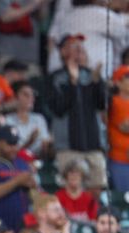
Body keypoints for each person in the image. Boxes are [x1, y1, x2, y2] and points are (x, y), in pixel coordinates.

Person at [48, 33, 108, 192]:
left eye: (81, 46)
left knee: (96, 190)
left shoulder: (91, 75)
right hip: (68, 147)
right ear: (63, 52)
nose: (80, 49)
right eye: (74, 46)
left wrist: (97, 84)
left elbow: (102, 105)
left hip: (93, 145)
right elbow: (58, 109)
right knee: (71, 193)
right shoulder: (55, 77)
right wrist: (73, 84)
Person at [2, 80, 52, 160]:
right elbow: (9, 152)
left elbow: (45, 149)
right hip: (16, 164)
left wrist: (48, 146)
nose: (31, 98)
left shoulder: (39, 119)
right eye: (26, 95)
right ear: (15, 98)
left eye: (32, 95)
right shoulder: (8, 121)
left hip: (37, 162)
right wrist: (30, 141)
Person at [109, 65, 129, 192]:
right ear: (118, 82)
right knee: (124, 198)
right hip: (120, 159)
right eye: (127, 77)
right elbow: (125, 126)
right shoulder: (116, 101)